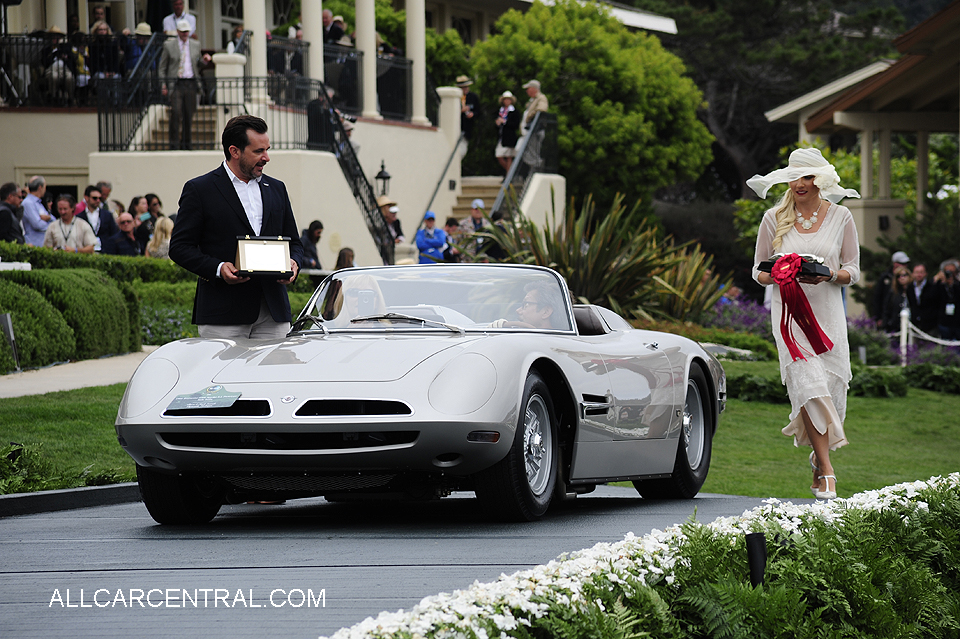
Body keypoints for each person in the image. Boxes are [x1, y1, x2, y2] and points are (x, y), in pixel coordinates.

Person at [747, 147, 861, 500]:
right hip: (790, 320)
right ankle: (828, 471)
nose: (799, 183)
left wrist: (828, 274)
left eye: (808, 177)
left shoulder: (842, 217)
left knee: (831, 394)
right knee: (809, 387)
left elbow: (853, 270)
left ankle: (817, 457)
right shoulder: (773, 218)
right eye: (794, 176)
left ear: (820, 180)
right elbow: (758, 271)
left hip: (828, 318)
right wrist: (780, 273)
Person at [169, 114, 303, 340]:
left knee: (275, 375)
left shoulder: (277, 188)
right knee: (222, 376)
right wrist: (219, 268)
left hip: (274, 313)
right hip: (223, 313)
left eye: (267, 149)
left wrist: (294, 263)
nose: (267, 157)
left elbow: (295, 243)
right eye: (259, 151)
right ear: (234, 151)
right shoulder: (200, 189)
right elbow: (180, 247)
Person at [159, 20, 211, 150]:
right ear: (177, 31)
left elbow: (197, 64)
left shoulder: (195, 45)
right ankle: (174, 144)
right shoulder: (168, 45)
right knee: (176, 113)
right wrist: (163, 85)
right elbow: (162, 67)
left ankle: (186, 144)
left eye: (186, 31)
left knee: (189, 114)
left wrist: (204, 61)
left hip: (191, 83)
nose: (184, 34)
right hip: (176, 83)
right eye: (182, 31)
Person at [872, 250, 910, 328]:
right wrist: (878, 317)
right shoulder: (885, 278)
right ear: (895, 264)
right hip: (888, 317)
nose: (904, 266)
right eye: (902, 263)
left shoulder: (908, 278)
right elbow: (878, 298)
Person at [77, 184, 119, 251]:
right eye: (94, 198)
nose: (98, 200)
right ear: (86, 198)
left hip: (105, 250)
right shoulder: (79, 217)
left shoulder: (107, 215)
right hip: (86, 250)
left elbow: (113, 233)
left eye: (100, 198)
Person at [906, 263, 938, 335]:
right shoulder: (910, 288)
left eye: (921, 272)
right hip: (915, 325)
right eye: (916, 272)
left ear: (926, 273)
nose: (919, 275)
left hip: (930, 325)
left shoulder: (932, 287)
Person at [494, 91, 521, 173]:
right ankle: (511, 172)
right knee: (499, 155)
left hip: (510, 137)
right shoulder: (500, 111)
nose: (507, 101)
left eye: (508, 100)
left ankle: (508, 175)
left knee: (509, 156)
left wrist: (504, 122)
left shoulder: (514, 112)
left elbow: (515, 125)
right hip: (502, 137)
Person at [21, 176, 52, 246]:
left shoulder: (39, 203)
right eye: (45, 187)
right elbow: (38, 224)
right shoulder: (28, 203)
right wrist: (53, 227)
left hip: (42, 245)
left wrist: (49, 218)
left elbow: (53, 219)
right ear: (40, 187)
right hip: (34, 244)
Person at [934, 260, 960, 340]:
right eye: (948, 272)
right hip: (944, 321)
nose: (950, 275)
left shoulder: (958, 284)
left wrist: (955, 282)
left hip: (958, 321)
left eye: (953, 272)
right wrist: (936, 281)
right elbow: (932, 298)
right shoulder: (940, 285)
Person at [881, 265, 911, 334]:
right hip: (895, 327)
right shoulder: (893, 293)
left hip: (911, 326)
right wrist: (886, 324)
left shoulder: (913, 291)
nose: (902, 278)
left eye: (904, 275)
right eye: (899, 276)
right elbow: (886, 309)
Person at [456, 75, 480, 154]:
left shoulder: (473, 97)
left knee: (462, 151)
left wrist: (473, 114)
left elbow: (478, 112)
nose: (465, 88)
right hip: (456, 127)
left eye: (466, 86)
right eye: (463, 87)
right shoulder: (455, 98)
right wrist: (461, 111)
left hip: (467, 129)